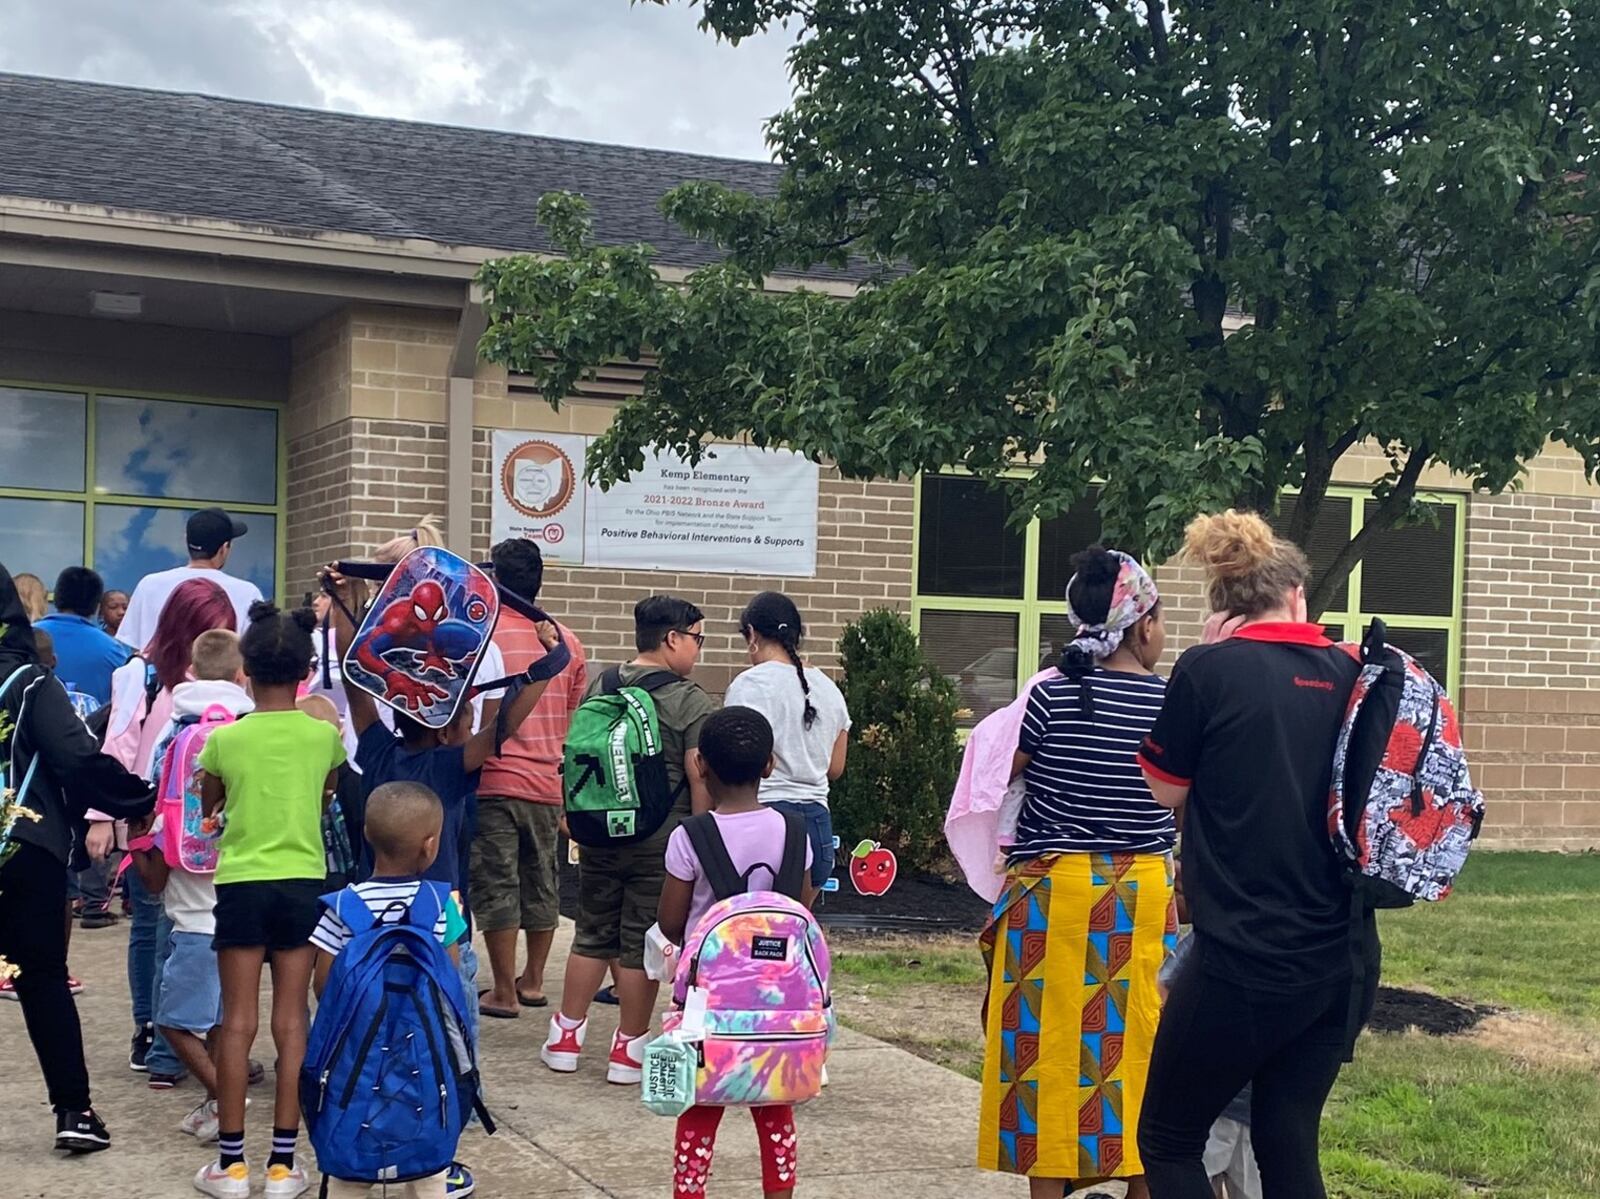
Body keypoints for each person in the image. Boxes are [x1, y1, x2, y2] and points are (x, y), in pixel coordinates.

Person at [1136, 511, 1375, 1199]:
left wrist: (1209, 658)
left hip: (1244, 953)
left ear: (1224, 603)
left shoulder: (1209, 668)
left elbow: (1162, 788)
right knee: (1287, 1133)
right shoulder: (1353, 672)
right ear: (1296, 593)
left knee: (1169, 1136)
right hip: (1343, 958)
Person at [976, 548, 1174, 1199]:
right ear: (1143, 624)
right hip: (1137, 899)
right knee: (1141, 1050)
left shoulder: (1051, 695)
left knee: (1048, 1054)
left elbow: (1000, 776)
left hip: (1050, 897)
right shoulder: (1170, 704)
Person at [322, 560, 570, 1059]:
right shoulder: (453, 767)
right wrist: (548, 663)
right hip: (440, 919)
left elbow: (355, 677)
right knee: (452, 1016)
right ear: (443, 728)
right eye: (466, 717)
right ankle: (459, 1082)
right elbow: (505, 728)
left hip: (374, 916)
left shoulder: (375, 751)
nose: (472, 722)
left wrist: (343, 601)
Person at [194, 602, 346, 1199]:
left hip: (240, 885)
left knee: (236, 1023)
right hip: (302, 883)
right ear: (307, 670)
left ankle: (231, 1166)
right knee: (292, 1022)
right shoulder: (323, 737)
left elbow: (212, 806)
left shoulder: (224, 740)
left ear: (245, 673)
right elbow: (326, 796)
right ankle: (283, 1165)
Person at [0, 561, 154, 1153]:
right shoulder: (29, 684)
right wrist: (139, 800)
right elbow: (78, 762)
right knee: (40, 979)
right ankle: (73, 1112)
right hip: (23, 847)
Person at [543, 595, 716, 1083]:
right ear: (672, 639)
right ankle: (628, 1049)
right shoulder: (690, 699)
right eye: (697, 639)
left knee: (591, 933)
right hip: (658, 839)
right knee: (641, 941)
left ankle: (565, 1037)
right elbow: (697, 775)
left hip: (598, 832)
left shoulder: (604, 683)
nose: (698, 650)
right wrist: (696, 839)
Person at [658, 706, 814, 1199]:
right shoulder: (794, 831)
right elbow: (801, 908)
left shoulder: (690, 836)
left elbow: (670, 921)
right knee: (776, 1111)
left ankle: (691, 1192)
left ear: (700, 765)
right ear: (769, 764)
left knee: (699, 1109)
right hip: (780, 1009)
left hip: (711, 1008)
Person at [99, 576, 236, 1085]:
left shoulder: (215, 698)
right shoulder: (144, 676)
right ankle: (155, 1040)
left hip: (192, 836)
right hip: (150, 824)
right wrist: (104, 821)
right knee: (153, 932)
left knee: (178, 935)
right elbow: (118, 746)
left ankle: (173, 1047)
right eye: (209, 630)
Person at [309, 781, 476, 1199]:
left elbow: (323, 986)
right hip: (425, 1057)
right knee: (429, 1174)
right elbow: (449, 979)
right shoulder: (440, 907)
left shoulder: (343, 907)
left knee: (348, 1171)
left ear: (366, 833)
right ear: (431, 846)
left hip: (354, 1055)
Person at [125, 628, 254, 1145]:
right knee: (225, 1020)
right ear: (242, 674)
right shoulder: (250, 726)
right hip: (241, 893)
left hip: (192, 909)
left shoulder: (176, 729)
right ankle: (216, 1101)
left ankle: (226, 1098)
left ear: (192, 673)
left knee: (174, 1022)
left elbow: (157, 801)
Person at [473, 538, 588, 1018]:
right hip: (546, 784)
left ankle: (501, 989)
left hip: (494, 779)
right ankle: (534, 981)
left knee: (498, 881)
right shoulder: (566, 641)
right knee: (542, 881)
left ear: (495, 579)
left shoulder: (481, 634)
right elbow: (574, 717)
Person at [725, 592, 849, 897]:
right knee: (794, 931)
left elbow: (733, 758)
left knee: (751, 928)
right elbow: (835, 768)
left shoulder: (749, 686)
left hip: (762, 817)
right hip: (817, 823)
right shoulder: (830, 690)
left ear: (752, 634)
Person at [1157, 860, 1259, 1199]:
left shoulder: (1215, 933)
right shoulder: (1294, 940)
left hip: (1216, 1098)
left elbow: (1164, 992)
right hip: (1236, 1105)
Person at [117, 507, 263, 650]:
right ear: (224, 548)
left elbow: (136, 648)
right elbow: (255, 651)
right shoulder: (248, 593)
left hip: (158, 674)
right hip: (223, 675)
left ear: (186, 539)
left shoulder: (149, 585)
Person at [35, 567, 132, 708]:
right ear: (96, 606)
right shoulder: (112, 649)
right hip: (91, 729)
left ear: (56, 597)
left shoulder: (25, 636)